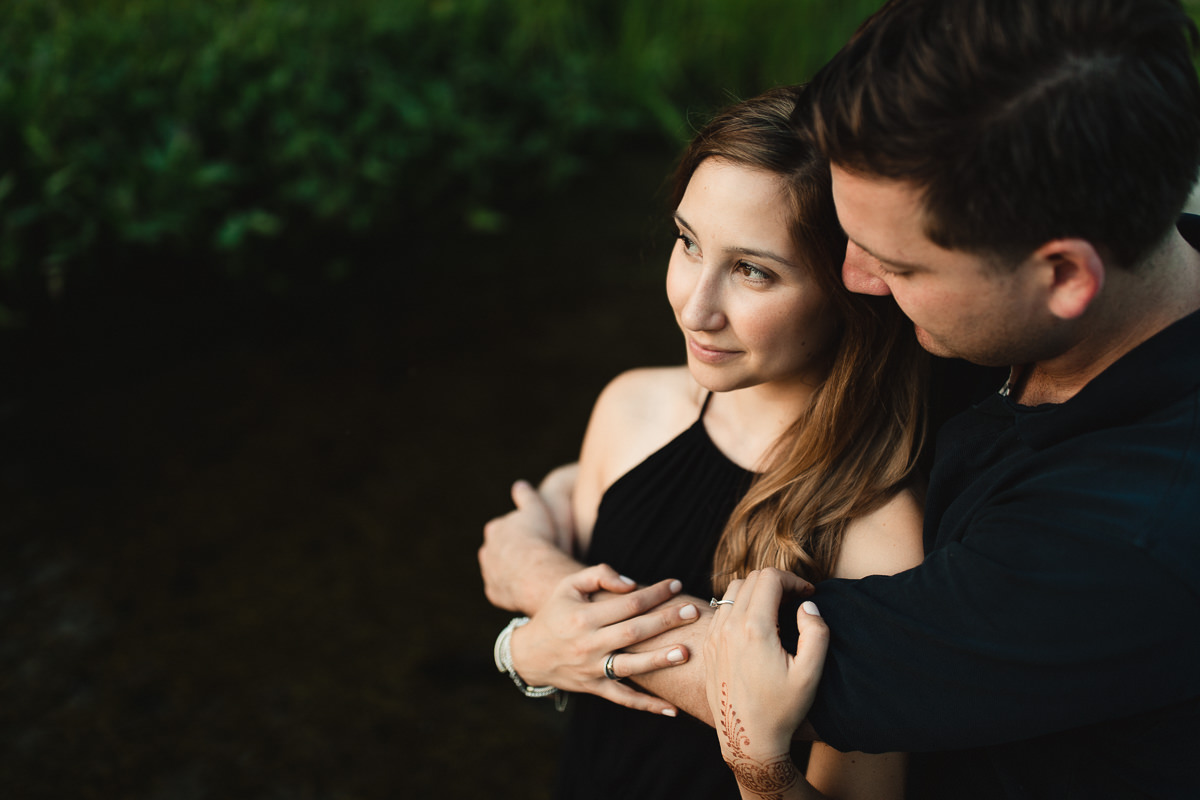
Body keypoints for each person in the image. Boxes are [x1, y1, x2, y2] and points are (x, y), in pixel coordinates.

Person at [482, 0, 1200, 797]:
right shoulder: (1031, 299)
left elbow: (779, 677)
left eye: (900, 264)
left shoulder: (1134, 532)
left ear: (1064, 276)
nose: (859, 284)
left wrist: (535, 600)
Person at [486, 85, 927, 799]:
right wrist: (531, 614)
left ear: (852, 288)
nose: (696, 307)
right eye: (689, 242)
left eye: (753, 271)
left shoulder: (874, 526)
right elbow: (573, 591)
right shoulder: (633, 406)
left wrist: (523, 633)